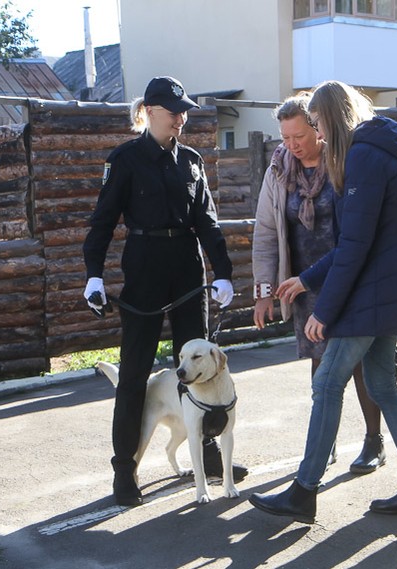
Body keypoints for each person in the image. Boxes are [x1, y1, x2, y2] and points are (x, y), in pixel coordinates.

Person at [248, 81, 397, 524]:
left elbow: (355, 244)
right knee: (383, 386)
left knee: (327, 383)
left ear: (332, 116)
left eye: (315, 123)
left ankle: (304, 490)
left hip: (370, 294)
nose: (316, 132)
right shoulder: (377, 149)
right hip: (384, 289)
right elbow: (359, 239)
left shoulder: (363, 156)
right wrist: (306, 279)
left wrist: (324, 311)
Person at [82, 76, 247, 506]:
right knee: (134, 372)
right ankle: (124, 469)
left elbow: (208, 222)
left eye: (184, 112)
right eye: (174, 112)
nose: (181, 119)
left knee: (201, 368)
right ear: (150, 112)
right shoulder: (124, 160)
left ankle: (208, 454)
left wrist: (223, 273)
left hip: (187, 269)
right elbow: (102, 221)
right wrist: (93, 275)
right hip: (144, 269)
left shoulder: (191, 160)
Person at [252, 93, 387, 475]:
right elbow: (265, 232)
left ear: (317, 128)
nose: (292, 145)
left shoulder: (343, 160)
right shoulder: (279, 170)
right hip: (304, 284)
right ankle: (324, 443)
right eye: (285, 137)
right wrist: (264, 291)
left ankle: (373, 441)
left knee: (358, 362)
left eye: (298, 136)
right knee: (319, 361)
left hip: (348, 278)